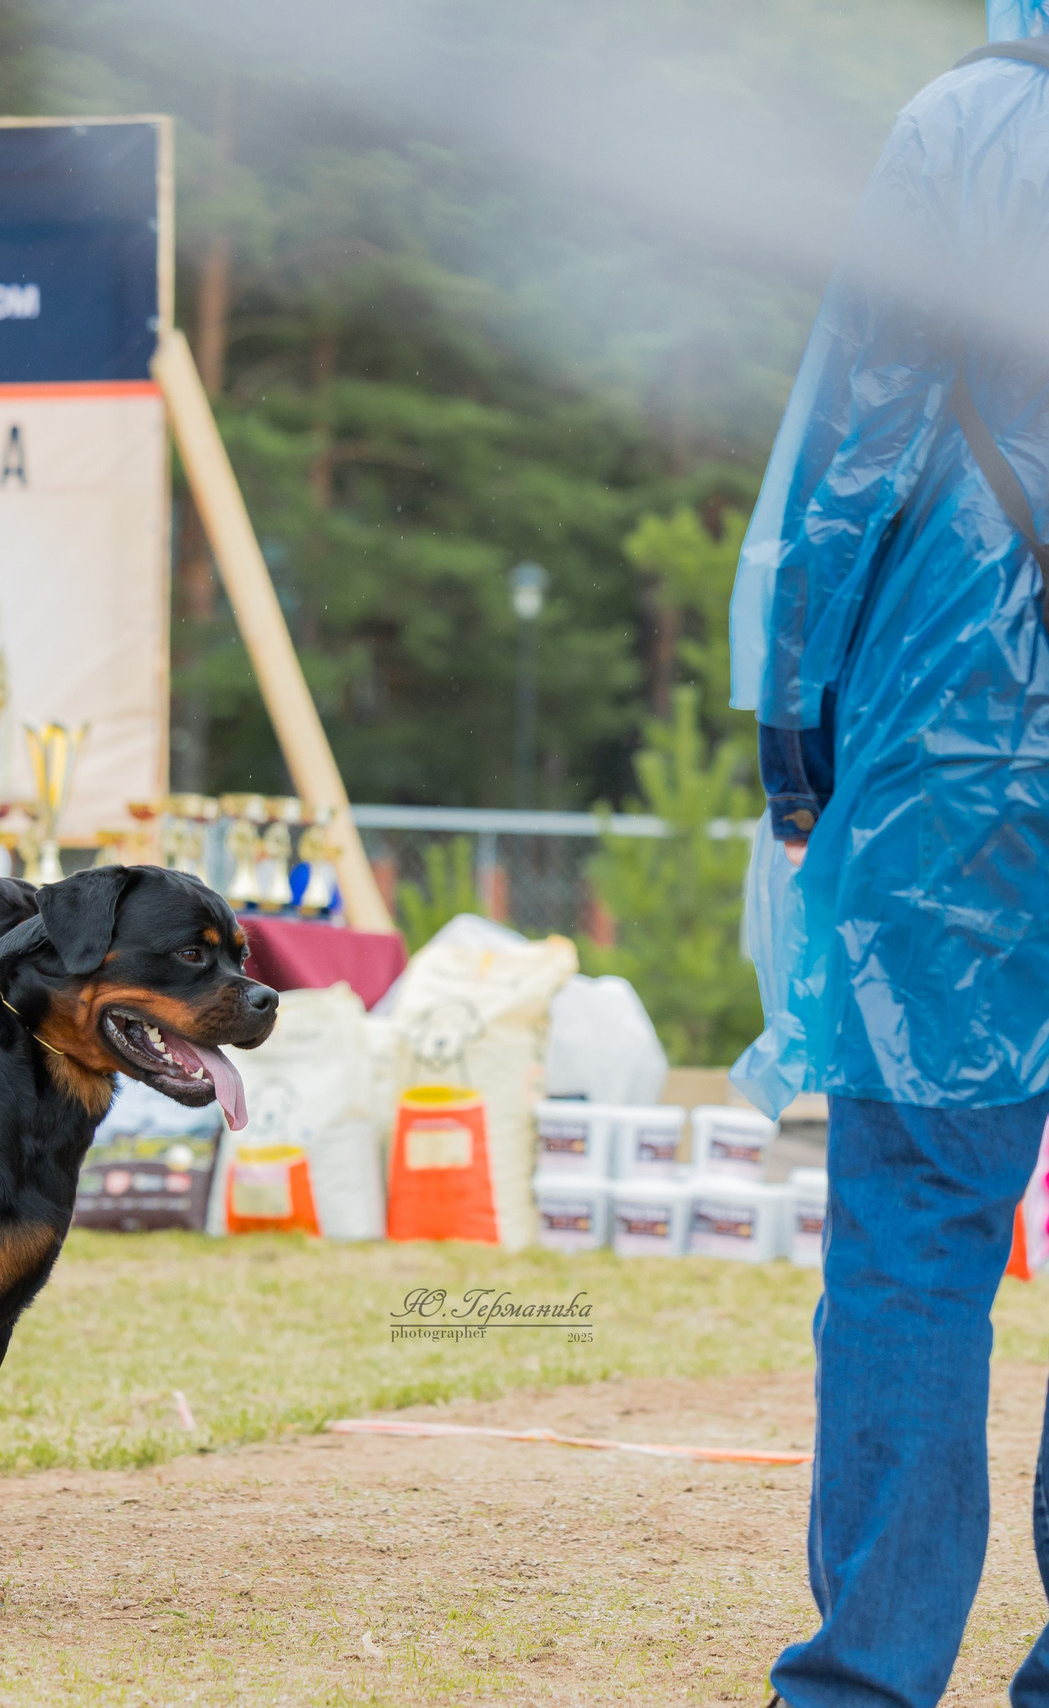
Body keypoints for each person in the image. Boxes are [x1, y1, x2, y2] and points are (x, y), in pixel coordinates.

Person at [730, 7, 1049, 1703]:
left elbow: (853, 444)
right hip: (962, 747)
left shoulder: (964, 129)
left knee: (921, 1232)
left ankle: (869, 1675)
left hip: (960, 750)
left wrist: (795, 728)